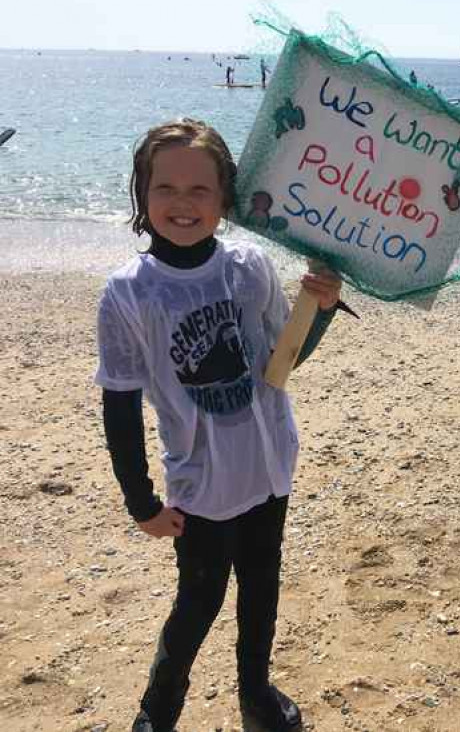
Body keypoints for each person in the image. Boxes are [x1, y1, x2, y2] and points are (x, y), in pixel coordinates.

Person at [98, 119, 344, 732]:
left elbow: (283, 361)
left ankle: (256, 695)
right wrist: (141, 503)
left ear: (226, 198)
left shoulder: (250, 265)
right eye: (165, 188)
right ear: (142, 194)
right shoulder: (130, 294)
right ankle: (158, 712)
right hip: (200, 487)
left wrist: (323, 308)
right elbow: (120, 405)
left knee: (262, 587)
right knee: (199, 601)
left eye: (200, 190)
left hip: (267, 468)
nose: (182, 203)